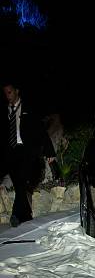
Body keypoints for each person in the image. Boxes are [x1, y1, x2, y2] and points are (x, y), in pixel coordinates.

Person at [0, 81, 56, 227]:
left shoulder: (29, 109)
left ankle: (15, 214)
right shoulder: (5, 110)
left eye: (10, 92)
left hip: (26, 151)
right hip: (10, 153)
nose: (8, 96)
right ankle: (26, 216)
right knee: (19, 185)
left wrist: (49, 151)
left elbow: (41, 131)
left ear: (17, 91)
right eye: (5, 93)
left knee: (24, 181)